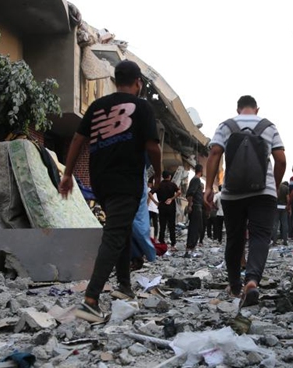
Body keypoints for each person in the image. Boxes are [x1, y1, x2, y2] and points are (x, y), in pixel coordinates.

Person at [59, 60, 161, 323]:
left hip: (101, 181)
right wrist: (158, 174)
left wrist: (68, 173)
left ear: (116, 80)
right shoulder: (142, 106)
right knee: (115, 234)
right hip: (125, 181)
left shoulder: (96, 107)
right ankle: (91, 300)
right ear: (138, 83)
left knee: (122, 228)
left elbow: (78, 140)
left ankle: (124, 287)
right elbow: (152, 146)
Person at [204, 95, 287, 307]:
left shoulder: (226, 125)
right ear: (256, 109)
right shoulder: (269, 126)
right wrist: (274, 186)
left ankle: (234, 286)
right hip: (263, 191)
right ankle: (252, 280)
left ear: (238, 109)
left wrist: (208, 187)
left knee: (235, 237)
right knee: (260, 236)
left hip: (233, 192)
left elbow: (214, 153)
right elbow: (281, 160)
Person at [155, 170, 179, 250]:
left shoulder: (159, 185)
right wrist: (171, 198)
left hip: (162, 207)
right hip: (171, 207)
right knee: (171, 226)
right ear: (169, 176)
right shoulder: (173, 185)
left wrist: (157, 202)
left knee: (162, 226)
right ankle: (173, 245)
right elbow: (179, 192)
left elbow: (150, 193)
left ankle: (161, 243)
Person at [185, 164, 204, 256]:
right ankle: (190, 249)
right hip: (196, 206)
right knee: (195, 228)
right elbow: (190, 193)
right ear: (201, 170)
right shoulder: (196, 179)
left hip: (196, 206)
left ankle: (190, 248)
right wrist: (190, 205)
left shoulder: (194, 179)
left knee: (196, 227)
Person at [273, 181, 289, 245]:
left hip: (275, 206)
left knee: (275, 224)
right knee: (285, 224)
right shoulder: (286, 188)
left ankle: (274, 240)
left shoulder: (274, 187)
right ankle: (285, 240)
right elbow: (288, 198)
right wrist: (288, 206)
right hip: (284, 207)